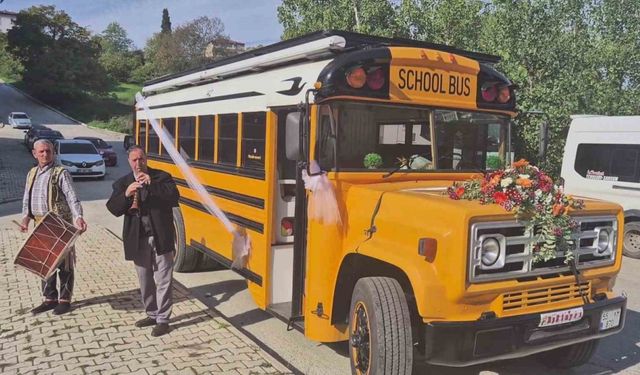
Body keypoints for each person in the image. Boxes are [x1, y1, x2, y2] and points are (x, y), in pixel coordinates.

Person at [106, 145, 179, 337]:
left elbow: (174, 197)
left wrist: (152, 185)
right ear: (129, 162)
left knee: (163, 280)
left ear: (146, 159)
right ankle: (152, 313)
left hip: (161, 238)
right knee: (145, 280)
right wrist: (126, 195)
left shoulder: (162, 177)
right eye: (134, 160)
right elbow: (113, 209)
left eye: (141, 159)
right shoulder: (123, 183)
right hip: (138, 240)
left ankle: (163, 319)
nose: (138, 163)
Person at [19, 139, 87, 315]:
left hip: (59, 224)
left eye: (48, 151)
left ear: (53, 152)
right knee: (44, 262)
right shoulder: (31, 173)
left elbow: (72, 197)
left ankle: (64, 300)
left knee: (64, 264)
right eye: (41, 152)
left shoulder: (61, 172)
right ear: (34, 153)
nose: (45, 154)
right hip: (39, 224)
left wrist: (78, 217)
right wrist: (25, 218)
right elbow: (27, 198)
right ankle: (49, 299)